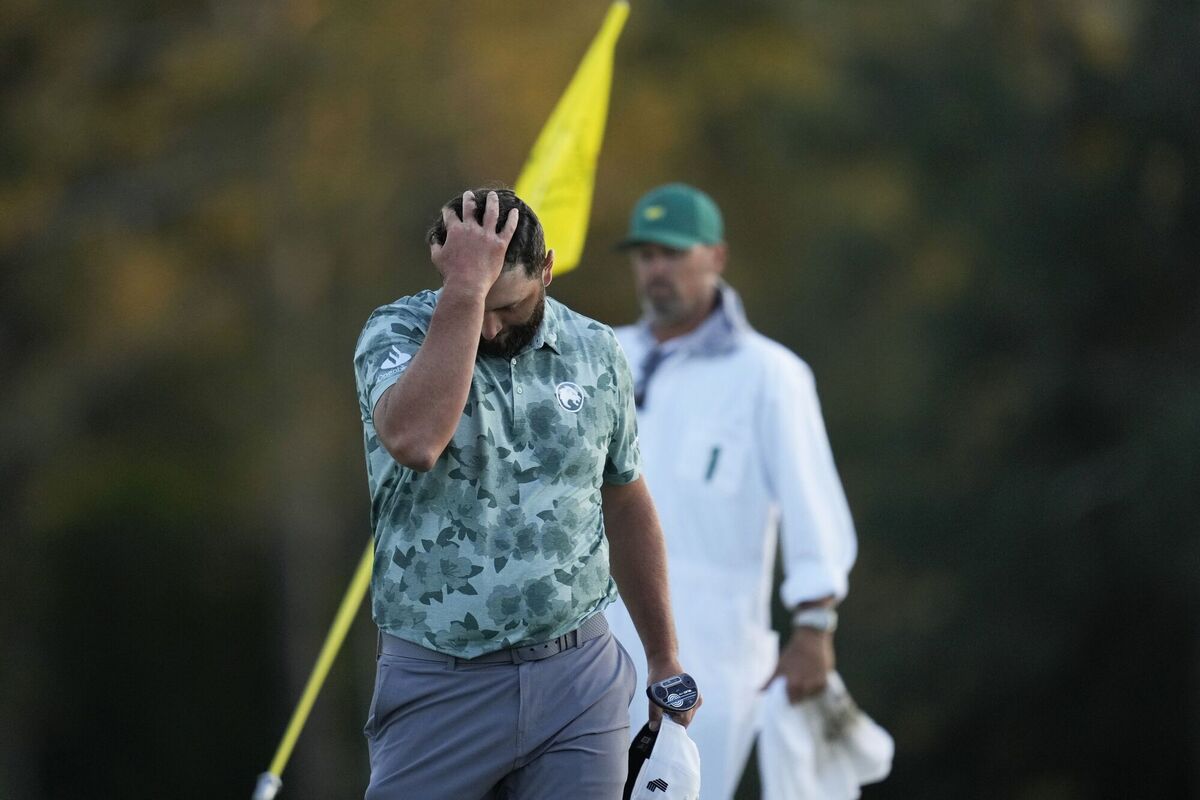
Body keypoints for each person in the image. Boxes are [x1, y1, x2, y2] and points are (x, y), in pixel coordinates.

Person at [353, 188, 698, 800]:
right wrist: (465, 293)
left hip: (578, 678)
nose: (490, 326)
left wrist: (663, 655)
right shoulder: (396, 332)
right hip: (439, 679)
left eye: (508, 305)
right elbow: (416, 441)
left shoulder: (596, 349)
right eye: (477, 302)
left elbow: (624, 499)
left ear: (547, 270)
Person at [605, 184, 860, 800]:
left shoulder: (769, 375)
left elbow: (812, 504)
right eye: (645, 255)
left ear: (715, 256)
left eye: (673, 253)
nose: (656, 269)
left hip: (710, 659)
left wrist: (814, 625)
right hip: (592, 649)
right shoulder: (601, 353)